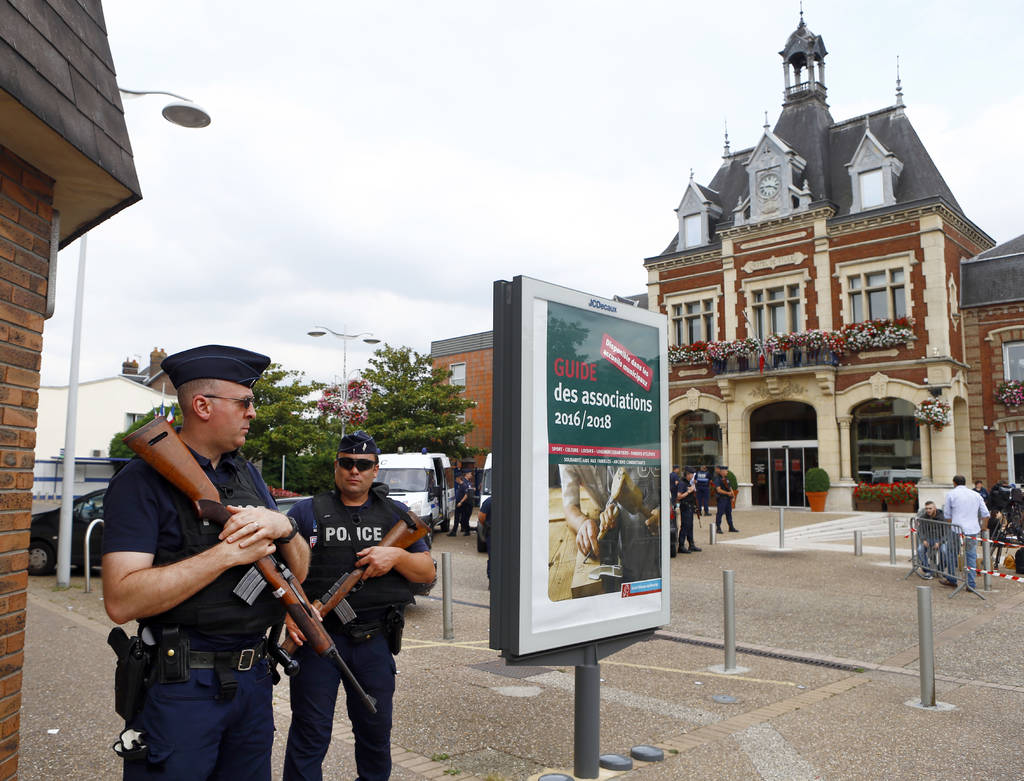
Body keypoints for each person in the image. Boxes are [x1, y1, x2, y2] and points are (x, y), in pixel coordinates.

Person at [102, 345, 310, 780]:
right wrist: (224, 555)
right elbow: (120, 600)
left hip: (253, 679)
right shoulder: (141, 481)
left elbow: (298, 574)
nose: (252, 412)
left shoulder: (246, 474)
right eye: (245, 402)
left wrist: (284, 527)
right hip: (182, 686)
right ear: (202, 406)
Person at [283, 431, 435, 781]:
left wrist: (395, 556)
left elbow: (427, 571)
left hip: (374, 641)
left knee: (375, 735)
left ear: (375, 470)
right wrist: (290, 613)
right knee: (309, 734)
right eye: (347, 463)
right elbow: (280, 572)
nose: (355, 471)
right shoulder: (307, 512)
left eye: (364, 465)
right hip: (318, 639)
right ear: (336, 466)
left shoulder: (396, 515)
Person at [942, 474, 990, 589]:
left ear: (954, 483)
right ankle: (971, 583)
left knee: (951, 553)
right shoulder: (976, 494)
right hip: (972, 529)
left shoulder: (951, 494)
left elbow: (947, 515)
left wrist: (951, 525)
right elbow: (986, 514)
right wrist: (983, 527)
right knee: (971, 555)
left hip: (956, 528)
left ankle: (952, 578)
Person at [913, 501, 945, 580]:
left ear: (935, 508)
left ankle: (940, 569)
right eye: (926, 508)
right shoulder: (923, 517)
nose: (928, 510)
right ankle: (928, 571)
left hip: (940, 539)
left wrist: (940, 542)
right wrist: (923, 539)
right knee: (920, 550)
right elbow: (920, 530)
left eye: (930, 508)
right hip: (928, 538)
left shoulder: (942, 517)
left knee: (944, 551)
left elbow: (946, 532)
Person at [677, 466, 701, 554]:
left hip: (690, 507)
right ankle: (681, 546)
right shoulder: (682, 483)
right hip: (685, 506)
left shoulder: (688, 483)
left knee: (690, 526)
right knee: (685, 526)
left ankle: (691, 544)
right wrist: (689, 492)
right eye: (691, 474)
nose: (692, 476)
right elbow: (679, 496)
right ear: (687, 474)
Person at [712, 465, 738, 533]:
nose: (727, 472)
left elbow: (730, 487)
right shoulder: (717, 479)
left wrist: (733, 496)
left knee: (729, 513)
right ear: (722, 471)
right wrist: (727, 493)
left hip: (727, 499)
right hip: (721, 498)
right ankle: (718, 528)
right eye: (726, 471)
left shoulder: (726, 479)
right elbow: (718, 490)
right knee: (720, 513)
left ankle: (731, 527)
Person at [478, 493, 493, 583]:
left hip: (491, 533)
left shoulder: (488, 501)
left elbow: (481, 517)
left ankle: (491, 579)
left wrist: (486, 525)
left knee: (492, 557)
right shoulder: (489, 501)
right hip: (493, 533)